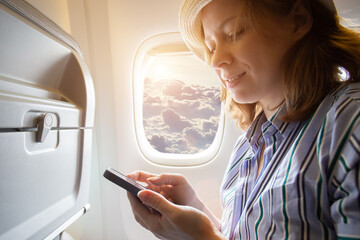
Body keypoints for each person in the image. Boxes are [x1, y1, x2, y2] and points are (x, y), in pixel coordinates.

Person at [127, 0, 360, 239]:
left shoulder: (350, 121)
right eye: (211, 46)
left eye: (234, 33)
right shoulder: (245, 150)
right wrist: (193, 205)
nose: (215, 61)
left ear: (298, 20)